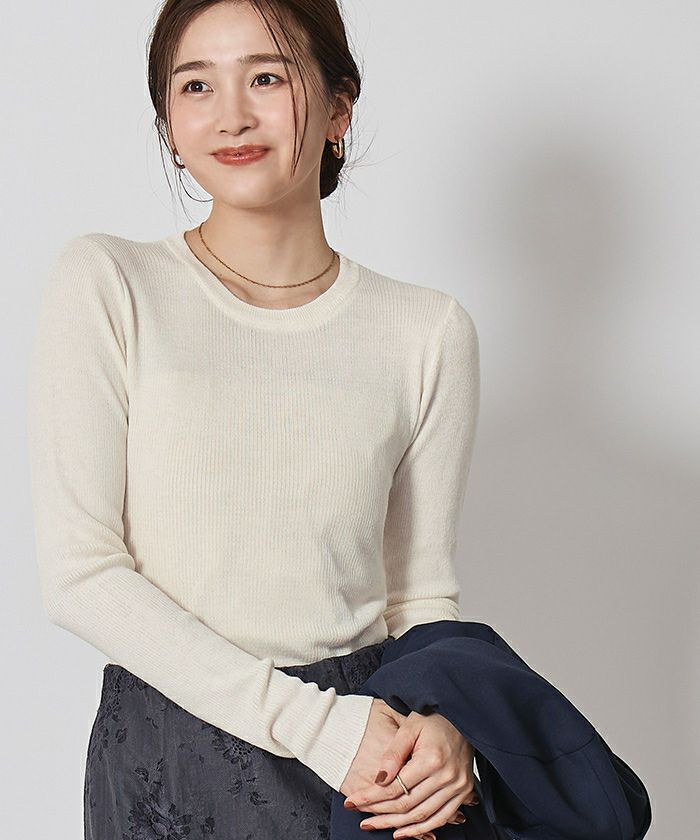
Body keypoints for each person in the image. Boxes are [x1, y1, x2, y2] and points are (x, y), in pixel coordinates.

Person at [26, 1, 481, 838]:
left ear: (339, 106)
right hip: (173, 744)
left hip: (371, 761)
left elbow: (417, 594)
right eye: (196, 85)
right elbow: (82, 575)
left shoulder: (426, 330)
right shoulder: (110, 284)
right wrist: (316, 728)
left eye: (266, 77)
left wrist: (448, 724)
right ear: (169, 125)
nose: (231, 115)